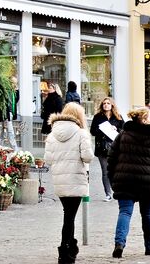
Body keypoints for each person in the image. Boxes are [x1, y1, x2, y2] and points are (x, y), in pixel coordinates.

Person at [108, 107, 150, 258]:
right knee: (147, 213)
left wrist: (113, 178)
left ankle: (119, 244)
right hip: (146, 181)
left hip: (124, 180)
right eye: (149, 117)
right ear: (144, 120)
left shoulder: (123, 135)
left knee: (125, 212)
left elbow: (111, 158)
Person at [46, 102, 94, 264]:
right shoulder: (81, 134)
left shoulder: (52, 135)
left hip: (60, 180)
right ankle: (65, 250)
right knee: (69, 217)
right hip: (75, 179)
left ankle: (70, 245)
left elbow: (48, 159)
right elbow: (88, 157)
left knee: (68, 214)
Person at [90, 97, 125, 202]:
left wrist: (116, 129)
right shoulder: (97, 117)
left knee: (115, 170)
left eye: (108, 103)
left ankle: (117, 191)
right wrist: (103, 129)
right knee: (105, 172)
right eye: (104, 103)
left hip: (115, 148)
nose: (106, 105)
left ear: (112, 105)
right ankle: (108, 194)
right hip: (102, 148)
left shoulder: (118, 117)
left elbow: (124, 130)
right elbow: (92, 131)